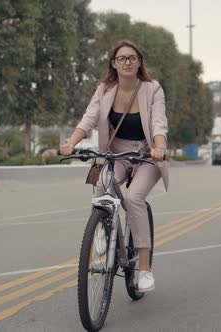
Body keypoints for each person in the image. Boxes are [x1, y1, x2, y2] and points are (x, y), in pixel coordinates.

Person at [60, 40, 169, 292]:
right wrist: (71, 142)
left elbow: (159, 123)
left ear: (139, 62)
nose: (127, 62)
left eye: (132, 58)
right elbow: (88, 119)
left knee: (133, 198)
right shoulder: (104, 89)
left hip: (146, 155)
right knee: (99, 185)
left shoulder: (153, 89)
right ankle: (101, 233)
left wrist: (159, 148)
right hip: (114, 153)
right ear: (114, 64)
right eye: (122, 58)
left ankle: (143, 268)